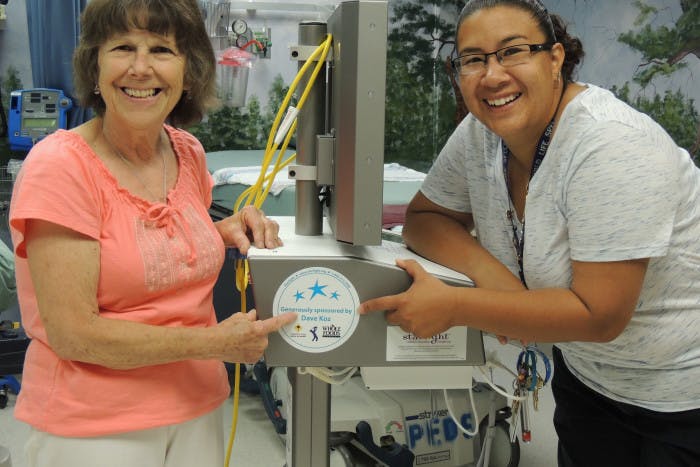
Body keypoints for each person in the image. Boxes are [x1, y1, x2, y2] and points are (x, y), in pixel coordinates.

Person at [359, 0, 700, 465]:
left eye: (513, 52)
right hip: (587, 378)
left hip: (682, 392)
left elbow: (600, 316)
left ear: (556, 58)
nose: (492, 75)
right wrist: (499, 282)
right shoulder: (483, 133)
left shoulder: (611, 144)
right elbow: (425, 219)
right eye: (473, 59)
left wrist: (459, 306)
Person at [9, 1, 295, 466]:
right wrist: (215, 344)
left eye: (162, 49)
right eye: (123, 47)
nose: (141, 68)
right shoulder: (61, 167)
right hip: (95, 428)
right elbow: (74, 334)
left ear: (188, 71)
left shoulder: (187, 152)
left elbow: (150, 249)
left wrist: (223, 230)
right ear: (95, 66)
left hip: (196, 406)